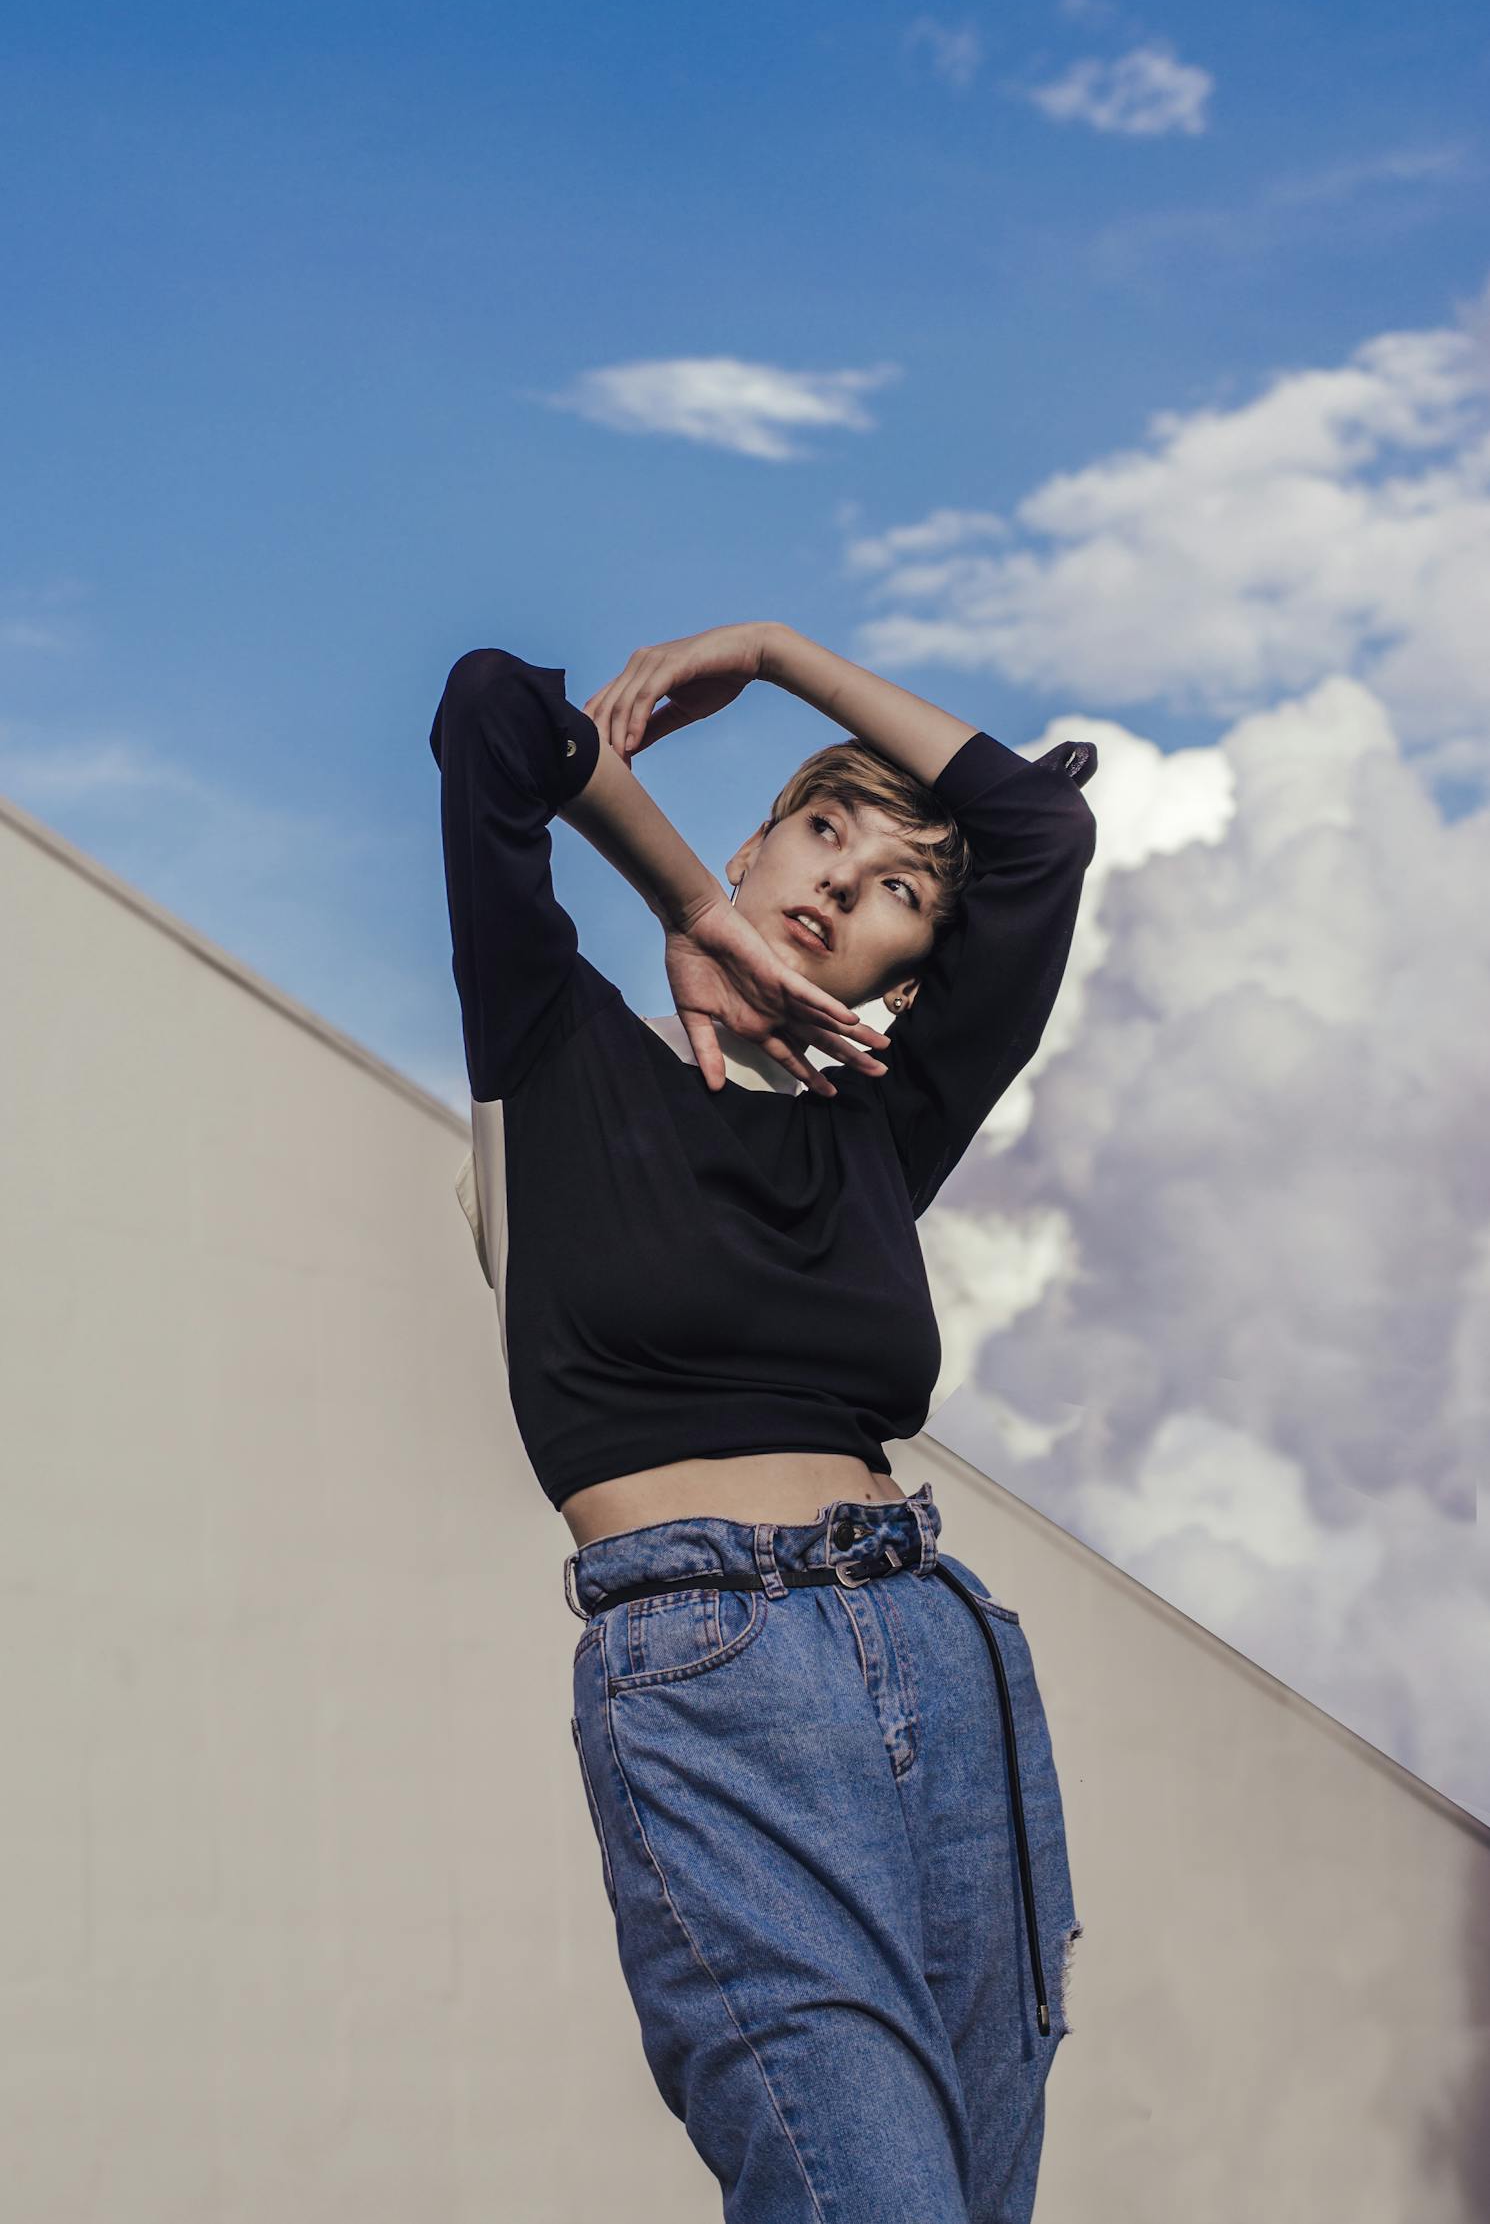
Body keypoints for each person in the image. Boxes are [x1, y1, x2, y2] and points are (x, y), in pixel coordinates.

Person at [429, 620, 1096, 2224]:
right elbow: (494, 713)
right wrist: (685, 905)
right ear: (749, 844)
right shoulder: (551, 1044)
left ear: (909, 972)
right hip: (711, 1666)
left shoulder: (886, 1127)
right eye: (821, 829)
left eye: (897, 890)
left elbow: (1041, 835)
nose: (840, 881)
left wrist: (781, 650)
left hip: (939, 1652)